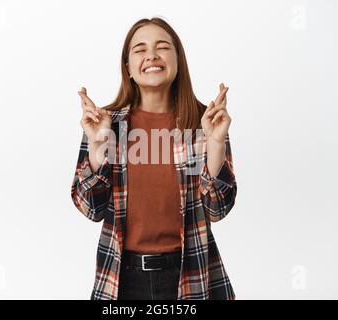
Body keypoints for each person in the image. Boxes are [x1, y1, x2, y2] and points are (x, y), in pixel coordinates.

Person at [71, 17, 238, 300]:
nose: (151, 55)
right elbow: (91, 209)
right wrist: (98, 142)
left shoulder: (202, 123)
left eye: (162, 47)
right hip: (122, 281)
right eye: (140, 49)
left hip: (190, 276)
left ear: (177, 60)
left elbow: (217, 210)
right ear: (128, 68)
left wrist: (216, 141)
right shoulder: (106, 124)